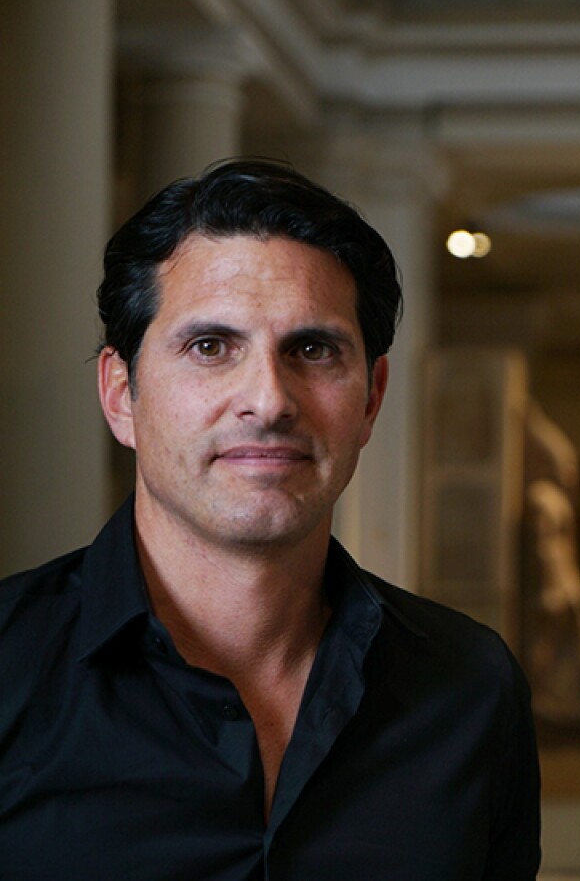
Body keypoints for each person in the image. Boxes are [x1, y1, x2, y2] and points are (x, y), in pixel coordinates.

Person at [0, 159, 541, 878]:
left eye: (312, 350)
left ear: (371, 399)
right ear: (121, 394)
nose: (270, 400)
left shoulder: (471, 689)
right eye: (210, 347)